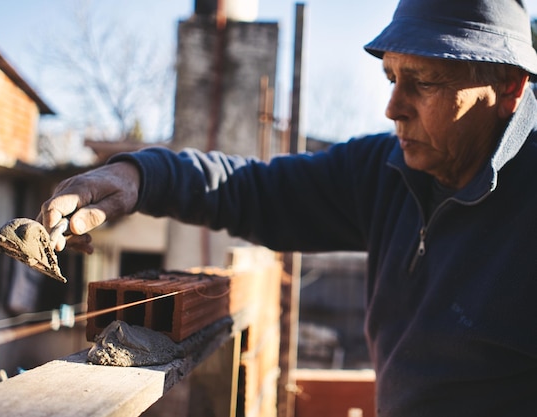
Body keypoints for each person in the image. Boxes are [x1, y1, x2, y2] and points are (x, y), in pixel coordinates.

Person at [39, 0, 537, 415]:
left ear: (509, 86)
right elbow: (255, 189)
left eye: (424, 81)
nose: (393, 107)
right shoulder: (388, 168)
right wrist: (139, 177)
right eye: (391, 77)